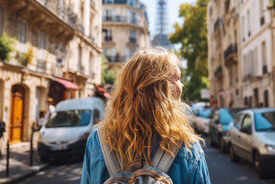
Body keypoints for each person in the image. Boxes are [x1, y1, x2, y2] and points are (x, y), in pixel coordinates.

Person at [81, 49, 211, 184]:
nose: (182, 85)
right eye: (177, 78)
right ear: (163, 89)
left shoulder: (97, 141)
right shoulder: (188, 148)